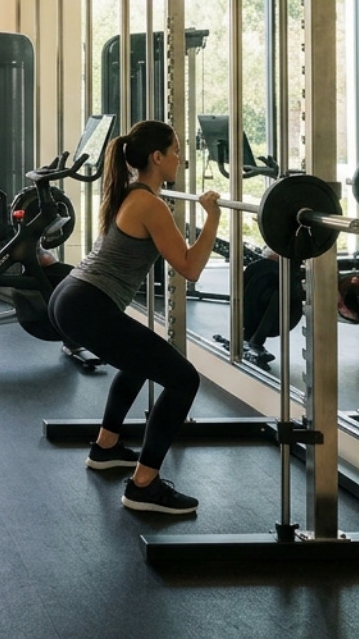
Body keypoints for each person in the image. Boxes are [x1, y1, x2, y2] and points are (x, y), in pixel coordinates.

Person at [46, 119, 220, 514]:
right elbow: (190, 268)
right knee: (184, 380)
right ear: (157, 157)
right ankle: (144, 485)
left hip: (71, 296)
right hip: (86, 303)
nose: (180, 159)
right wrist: (212, 217)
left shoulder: (132, 193)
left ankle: (106, 447)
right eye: (176, 151)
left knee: (140, 361)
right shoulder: (150, 205)